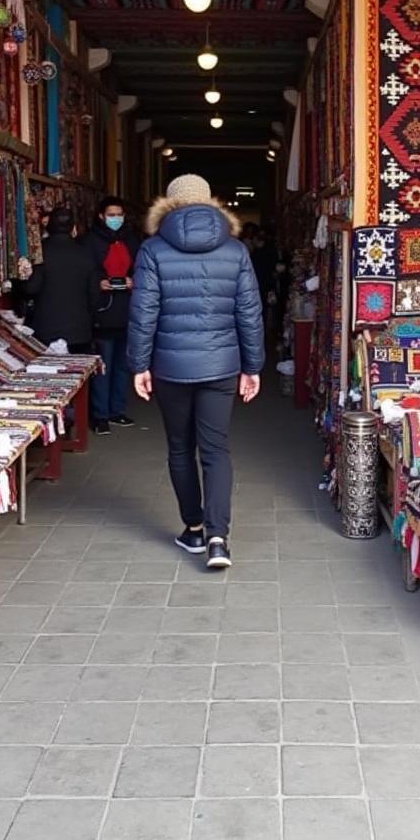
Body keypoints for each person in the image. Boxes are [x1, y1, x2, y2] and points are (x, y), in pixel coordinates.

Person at [128, 174, 264, 570]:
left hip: (170, 367)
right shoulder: (236, 250)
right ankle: (218, 538)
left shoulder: (153, 249)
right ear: (210, 203)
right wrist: (252, 366)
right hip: (222, 365)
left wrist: (139, 364)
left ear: (168, 206)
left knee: (179, 448)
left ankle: (193, 527)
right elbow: (250, 313)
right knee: (216, 449)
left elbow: (143, 313)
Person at [86, 196, 140, 435]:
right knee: (103, 365)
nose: (115, 219)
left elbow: (142, 268)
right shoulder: (90, 241)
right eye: (111, 214)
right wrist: (98, 283)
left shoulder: (132, 240)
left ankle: (117, 410)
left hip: (127, 308)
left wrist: (134, 281)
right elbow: (85, 272)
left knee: (122, 365)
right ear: (101, 216)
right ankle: (100, 414)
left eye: (119, 214)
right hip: (103, 310)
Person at [23, 208, 98, 351]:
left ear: (48, 225)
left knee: (47, 372)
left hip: (45, 329)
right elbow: (94, 294)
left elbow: (32, 288)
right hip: (79, 331)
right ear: (73, 227)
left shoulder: (40, 251)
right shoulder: (85, 253)